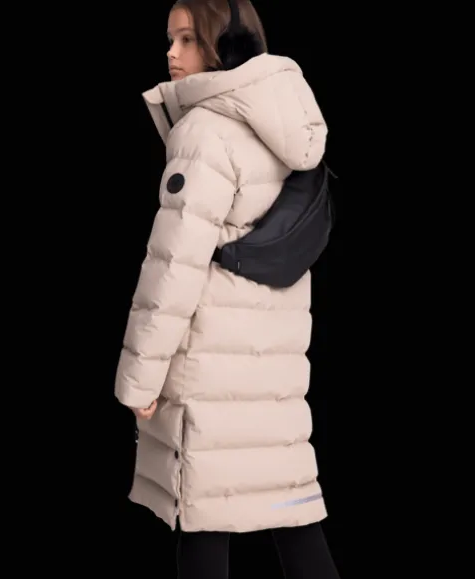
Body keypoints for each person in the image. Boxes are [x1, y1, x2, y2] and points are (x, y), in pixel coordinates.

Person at [114, 0, 340, 577]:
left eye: (188, 39)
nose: (171, 53)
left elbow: (173, 266)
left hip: (209, 377)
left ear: (224, 44)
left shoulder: (205, 131)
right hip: (276, 383)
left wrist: (139, 380)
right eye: (170, 38)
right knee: (292, 516)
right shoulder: (291, 123)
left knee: (204, 527)